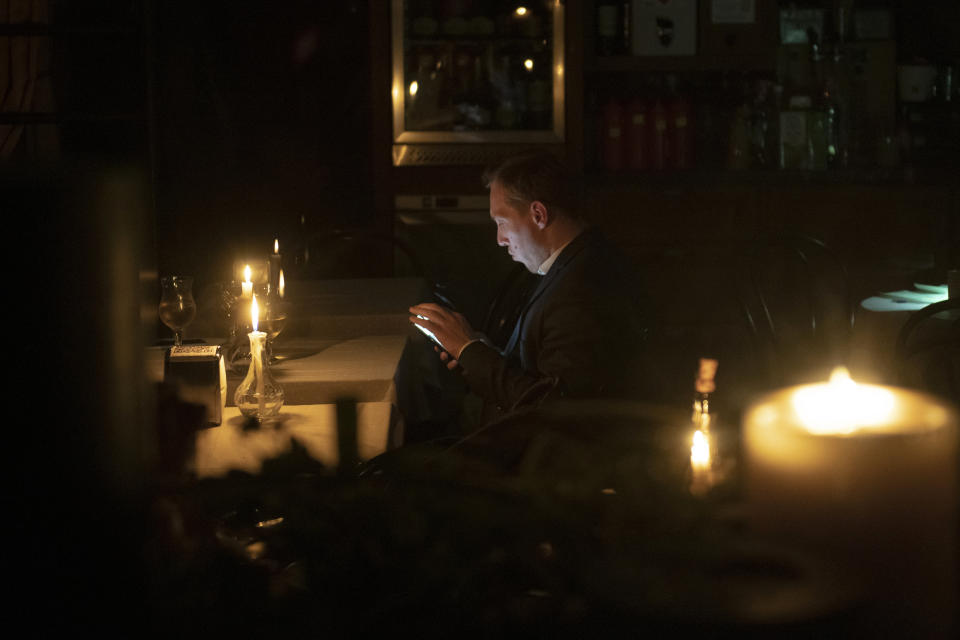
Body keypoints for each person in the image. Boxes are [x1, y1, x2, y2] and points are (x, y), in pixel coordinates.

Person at [409, 151, 650, 424]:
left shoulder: (582, 289)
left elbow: (551, 409)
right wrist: (478, 353)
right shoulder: (574, 262)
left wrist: (468, 350)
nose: (500, 239)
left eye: (502, 223)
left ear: (538, 214)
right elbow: (539, 370)